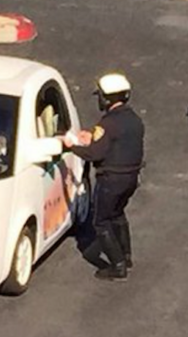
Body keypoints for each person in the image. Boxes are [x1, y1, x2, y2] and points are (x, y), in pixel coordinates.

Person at [63, 73, 145, 281]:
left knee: (101, 221)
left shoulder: (107, 124)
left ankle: (117, 266)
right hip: (131, 178)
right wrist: (92, 137)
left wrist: (72, 146)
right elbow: (116, 143)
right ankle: (126, 256)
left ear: (107, 98)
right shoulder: (134, 119)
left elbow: (95, 154)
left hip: (111, 179)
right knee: (117, 214)